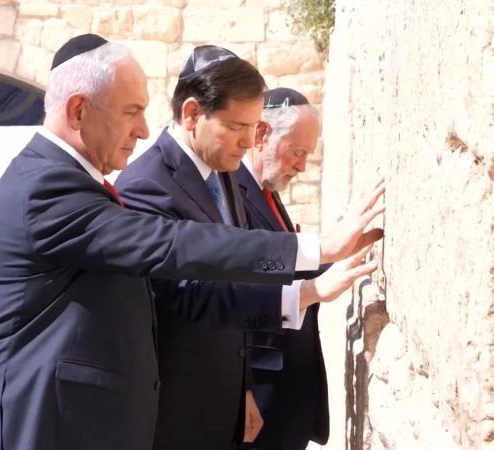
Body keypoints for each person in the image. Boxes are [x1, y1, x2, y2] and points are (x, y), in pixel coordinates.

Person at [0, 34, 384, 450]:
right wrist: (316, 250)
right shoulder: (46, 187)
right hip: (39, 427)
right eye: (131, 111)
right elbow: (172, 244)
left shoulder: (69, 181)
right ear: (78, 110)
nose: (144, 128)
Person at [116, 47, 379, 450]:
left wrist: (244, 391)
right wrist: (314, 269)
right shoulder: (146, 187)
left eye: (255, 126)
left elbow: (241, 267)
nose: (248, 141)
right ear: (191, 114)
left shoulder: (224, 170)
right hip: (178, 413)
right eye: (238, 126)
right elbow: (195, 296)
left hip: (227, 405)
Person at [237, 87, 330, 450]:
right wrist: (242, 388)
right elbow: (237, 292)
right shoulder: (233, 194)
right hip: (260, 397)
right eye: (297, 151)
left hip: (287, 397)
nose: (302, 166)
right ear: (262, 135)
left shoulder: (268, 193)